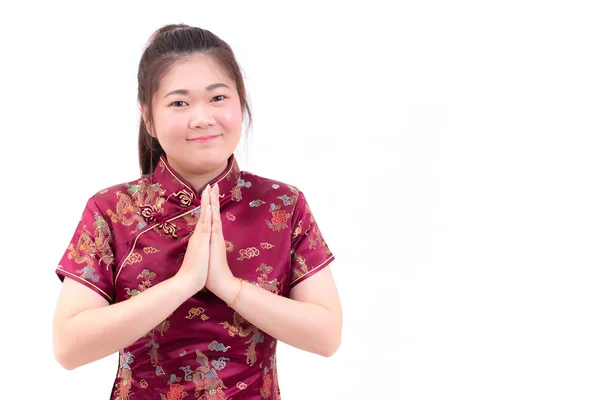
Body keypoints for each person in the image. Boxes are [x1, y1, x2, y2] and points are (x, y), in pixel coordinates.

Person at [52, 23, 342, 399]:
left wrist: (227, 286)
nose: (202, 117)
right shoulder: (113, 210)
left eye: (218, 98)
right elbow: (68, 347)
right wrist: (183, 283)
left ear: (241, 103)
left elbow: (326, 335)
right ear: (148, 117)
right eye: (179, 103)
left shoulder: (282, 205)